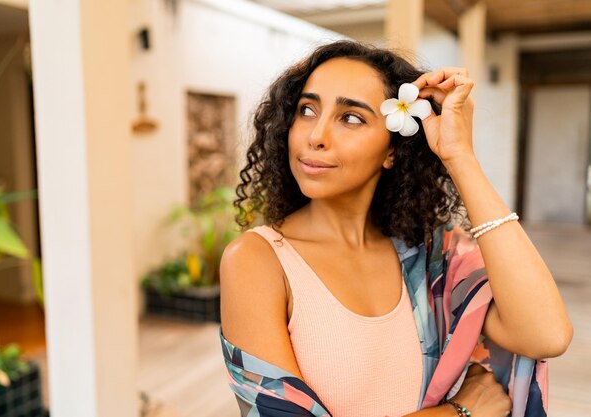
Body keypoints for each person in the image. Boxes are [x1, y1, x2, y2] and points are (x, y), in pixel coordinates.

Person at [219, 40, 573, 417]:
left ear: (392, 150)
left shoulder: (434, 256)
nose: (315, 136)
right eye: (307, 110)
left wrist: (460, 157)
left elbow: (546, 334)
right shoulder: (257, 261)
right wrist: (458, 412)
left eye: (350, 117)